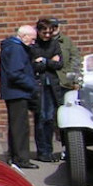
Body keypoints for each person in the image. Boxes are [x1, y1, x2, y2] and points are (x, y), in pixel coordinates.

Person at [0, 24, 38, 169]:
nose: (33, 43)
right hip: (18, 92)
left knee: (16, 126)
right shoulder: (17, 49)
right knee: (20, 128)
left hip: (13, 92)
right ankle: (21, 159)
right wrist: (32, 85)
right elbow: (15, 73)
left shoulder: (11, 46)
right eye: (32, 39)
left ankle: (15, 156)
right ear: (24, 36)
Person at [29, 18, 64, 162]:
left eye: (50, 32)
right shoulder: (33, 45)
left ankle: (48, 151)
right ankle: (42, 152)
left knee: (50, 119)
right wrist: (50, 62)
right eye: (45, 33)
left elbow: (60, 64)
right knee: (41, 118)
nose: (48, 35)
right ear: (38, 31)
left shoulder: (54, 43)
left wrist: (43, 61)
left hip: (52, 86)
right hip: (39, 85)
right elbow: (33, 66)